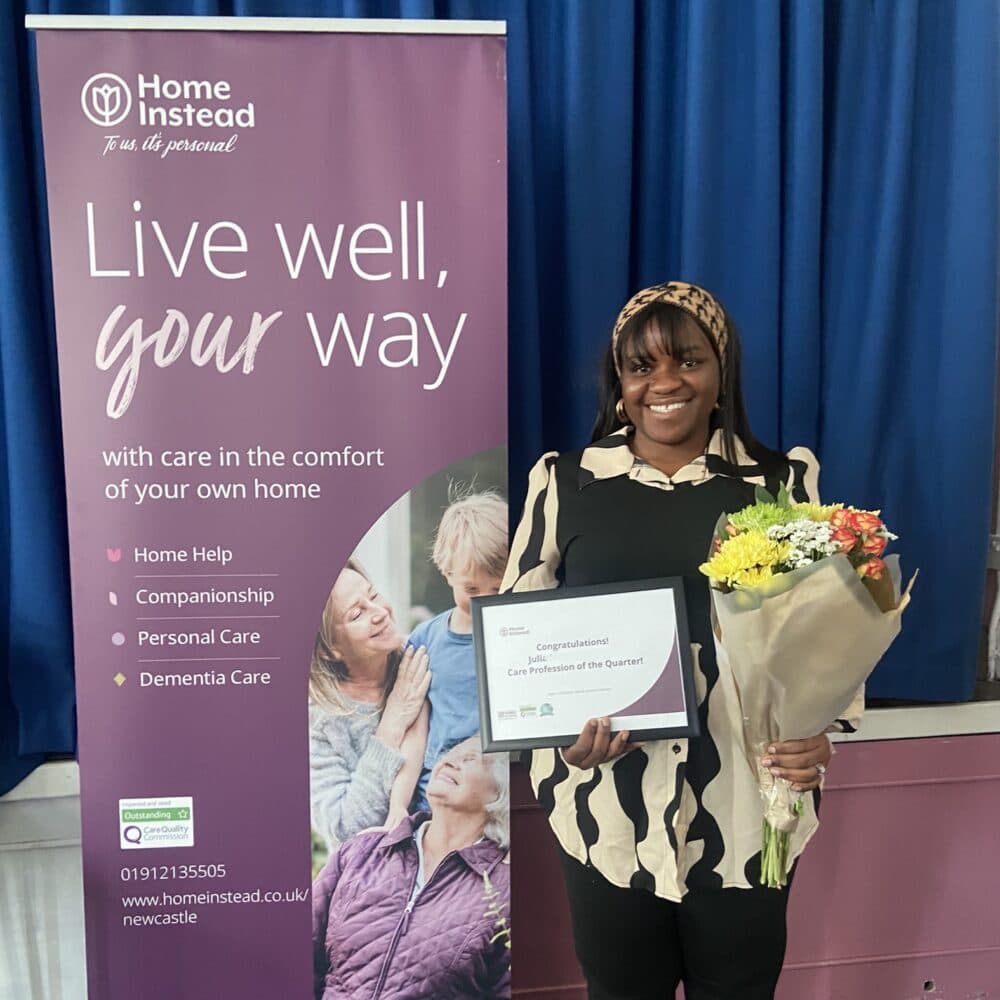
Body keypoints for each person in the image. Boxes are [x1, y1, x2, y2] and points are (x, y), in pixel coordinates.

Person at [501, 281, 863, 1000]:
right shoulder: (564, 482)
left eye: (688, 361)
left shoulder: (781, 482)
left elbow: (833, 630)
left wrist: (822, 732)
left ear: (720, 373)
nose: (663, 384)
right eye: (641, 367)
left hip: (746, 805)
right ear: (620, 382)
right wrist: (556, 738)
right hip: (606, 810)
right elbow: (519, 641)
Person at [312, 736, 511, 1000]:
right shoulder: (362, 851)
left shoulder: (502, 889)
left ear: (498, 794)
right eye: (450, 753)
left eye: (471, 758)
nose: (450, 761)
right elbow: (299, 955)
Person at [309, 559, 431, 852]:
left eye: (373, 596)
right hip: (377, 878)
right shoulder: (319, 720)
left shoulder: (425, 660)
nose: (379, 613)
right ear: (330, 650)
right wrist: (392, 724)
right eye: (357, 614)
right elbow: (345, 829)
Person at [408, 489, 508, 810]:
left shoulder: (518, 632)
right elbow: (412, 725)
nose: (486, 599)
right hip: (434, 796)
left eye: (498, 588)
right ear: (447, 572)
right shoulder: (425, 640)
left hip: (498, 794)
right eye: (471, 589)